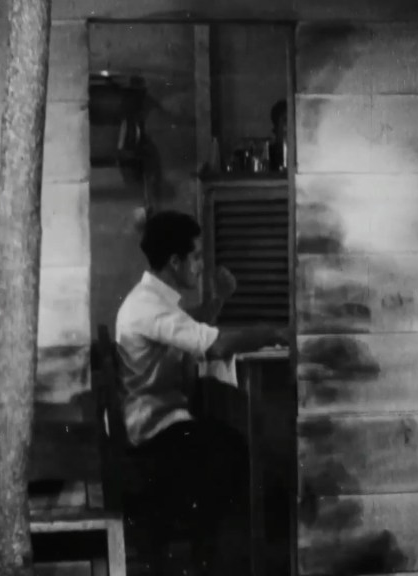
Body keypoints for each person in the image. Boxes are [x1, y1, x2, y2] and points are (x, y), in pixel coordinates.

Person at [115, 209, 288, 575]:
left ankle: (211, 555)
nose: (200, 266)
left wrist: (219, 299)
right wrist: (275, 331)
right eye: (195, 257)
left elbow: (190, 324)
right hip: (154, 435)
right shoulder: (148, 307)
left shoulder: (153, 301)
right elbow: (215, 343)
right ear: (174, 262)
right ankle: (212, 561)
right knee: (236, 455)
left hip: (159, 425)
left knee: (232, 449)